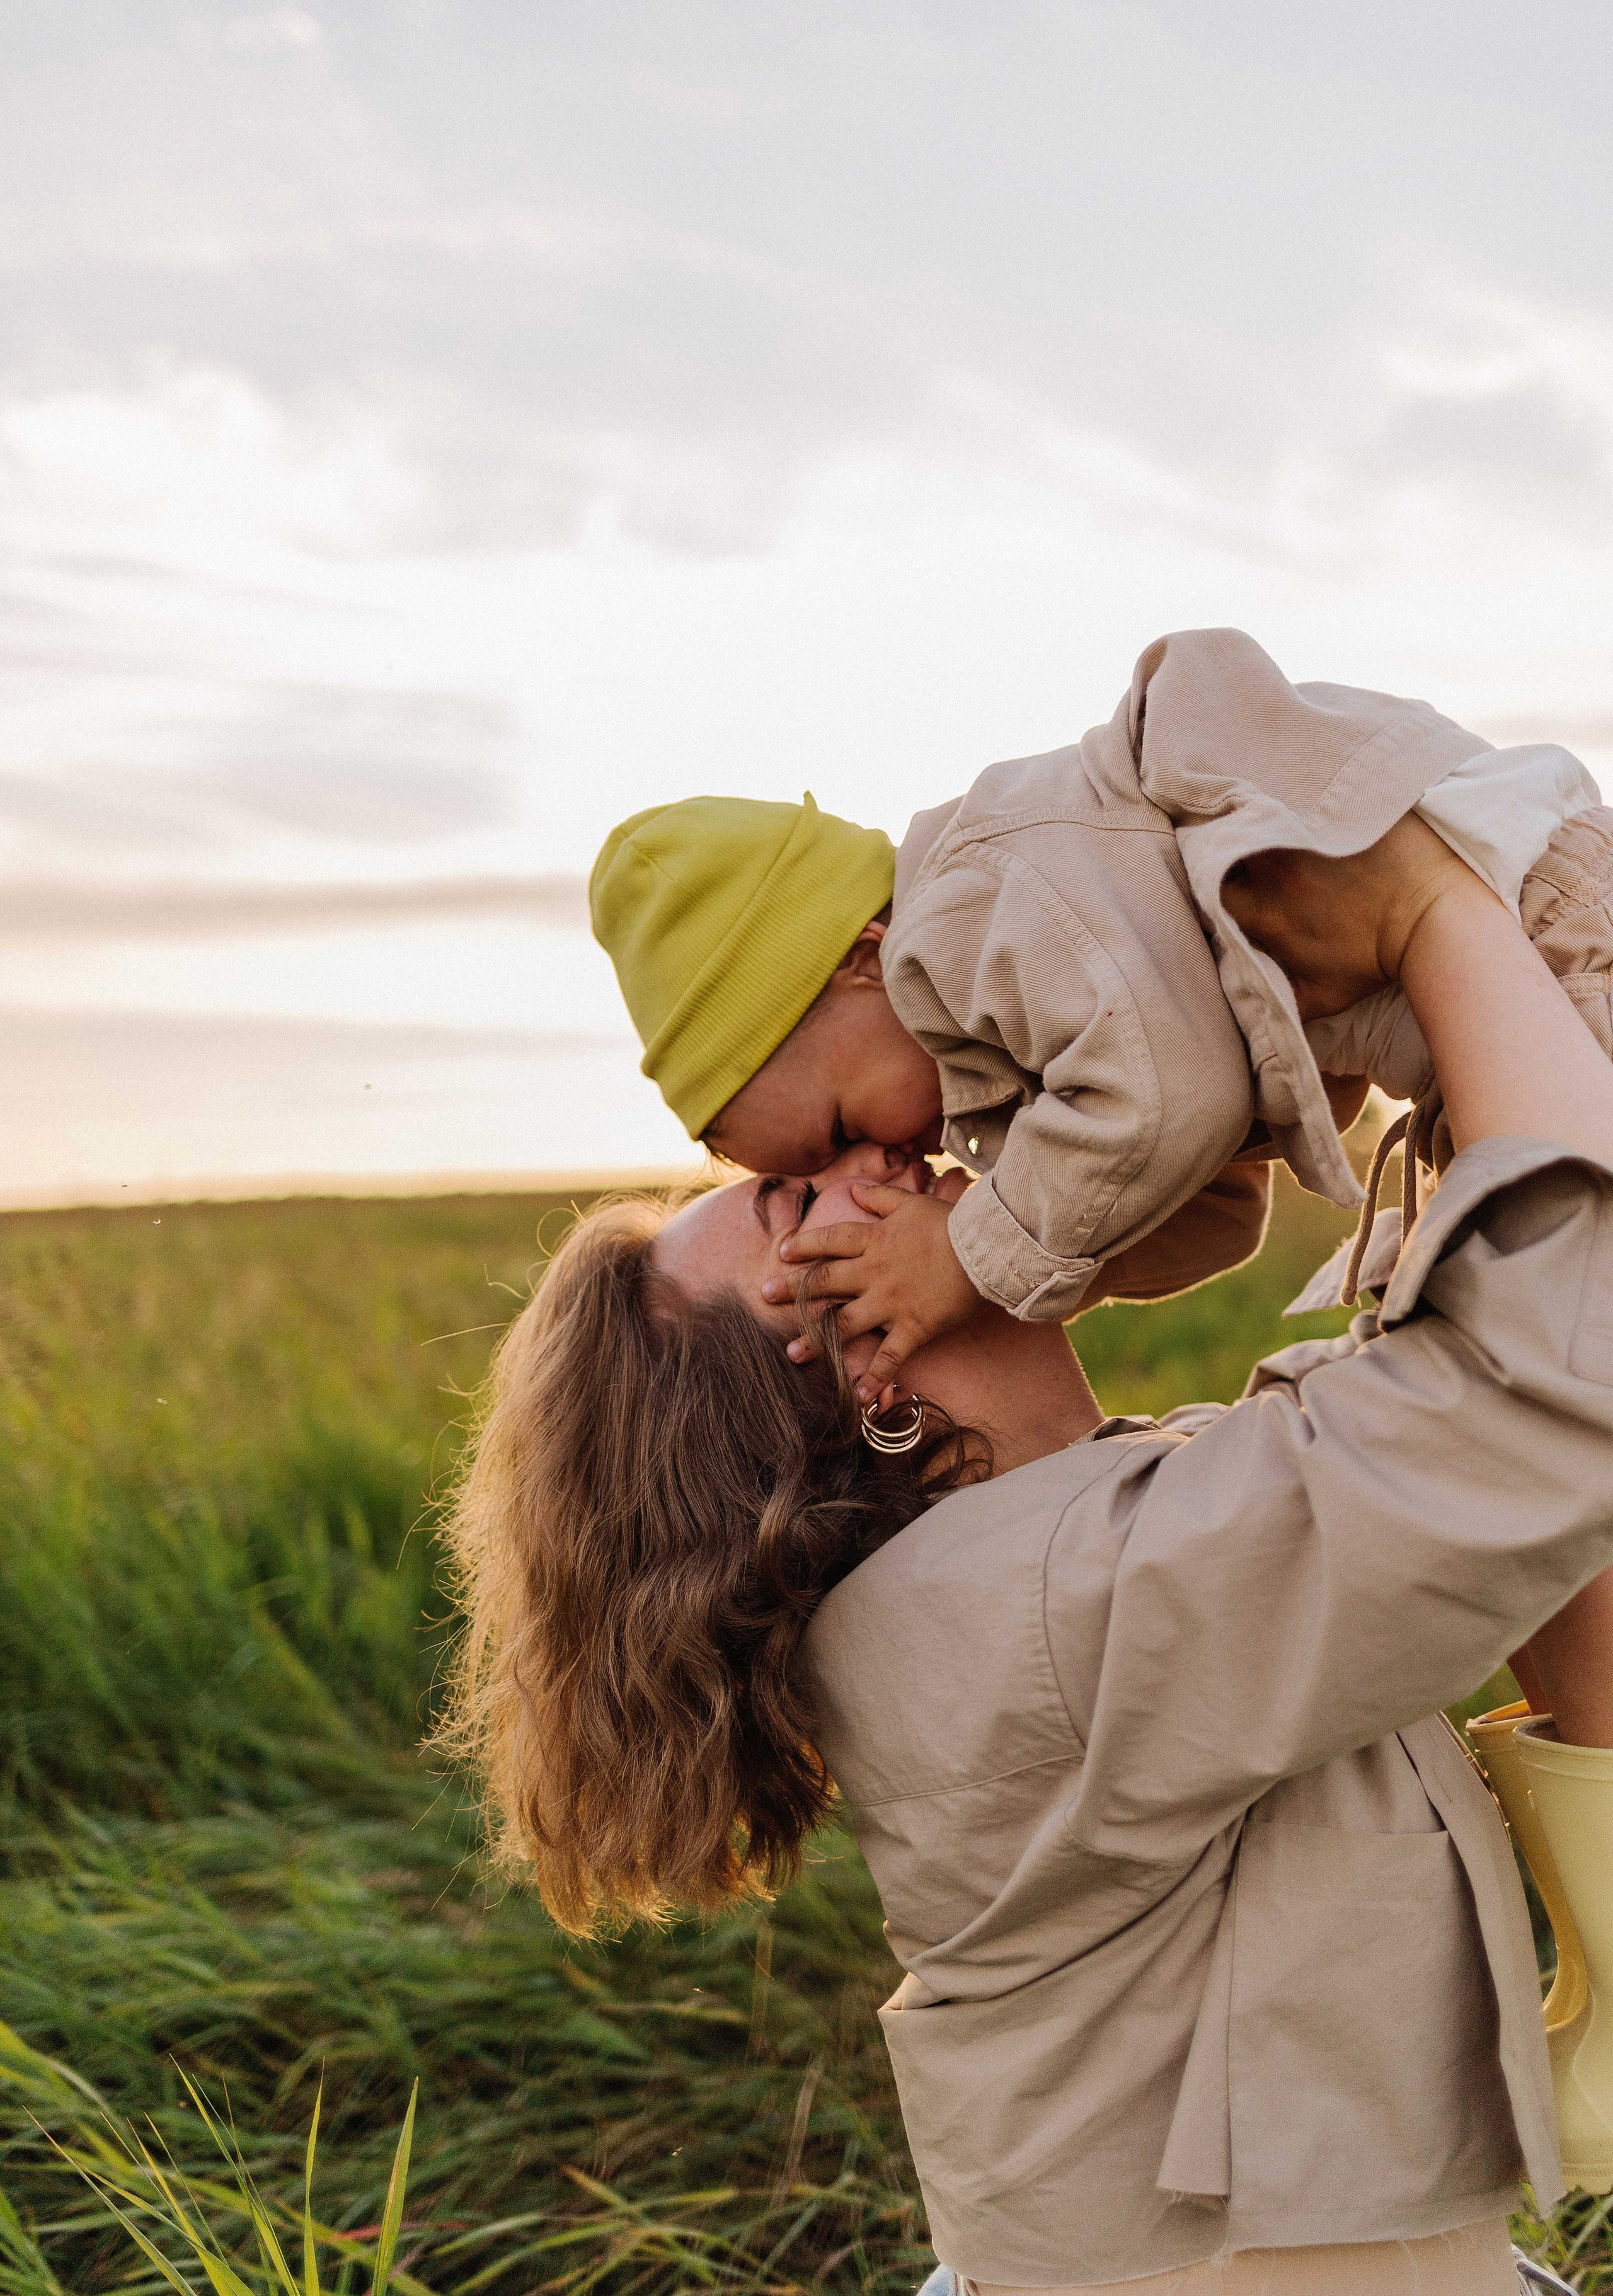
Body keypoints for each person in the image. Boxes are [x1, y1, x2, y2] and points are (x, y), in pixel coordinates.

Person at [440, 813, 1613, 2292]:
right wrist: (1433, 915)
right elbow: (1554, 1381)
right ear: (860, 1369)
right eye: (803, 1194)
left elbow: (1445, 1414)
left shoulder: (1040, 1552)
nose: (893, 1149)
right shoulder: (1053, 1610)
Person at [588, 628, 1613, 1405]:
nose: (884, 1160)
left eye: (847, 1129)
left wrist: (967, 1254)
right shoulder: (1020, 1052)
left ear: (863, 959)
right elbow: (1217, 1213)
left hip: (1539, 922)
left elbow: (1177, 1088)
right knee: (1523, 1388)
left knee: (1558, 1358)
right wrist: (1015, 1269)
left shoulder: (973, 902)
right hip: (1479, 1014)